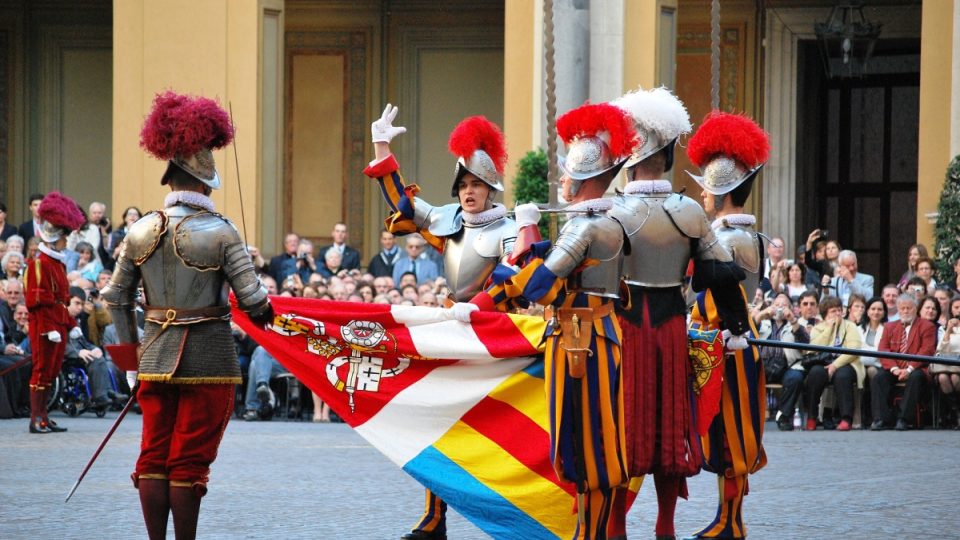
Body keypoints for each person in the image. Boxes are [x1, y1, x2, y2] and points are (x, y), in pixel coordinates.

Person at [101, 91, 273, 540]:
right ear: (202, 182)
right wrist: (270, 312)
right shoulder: (221, 231)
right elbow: (252, 299)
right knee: (189, 458)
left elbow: (115, 297)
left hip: (154, 357)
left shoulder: (139, 229)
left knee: (153, 454)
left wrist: (131, 361)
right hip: (207, 356)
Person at [465, 101, 635, 540]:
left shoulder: (587, 226)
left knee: (592, 443)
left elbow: (539, 285)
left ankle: (591, 534)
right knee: (580, 440)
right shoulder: (598, 221)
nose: (560, 181)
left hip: (586, 342)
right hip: (588, 335)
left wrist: (525, 233)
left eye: (566, 174)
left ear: (581, 179)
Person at [363, 105, 518, 540]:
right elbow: (403, 204)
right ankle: (434, 519)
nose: (469, 192)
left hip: (493, 333)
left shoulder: (507, 229)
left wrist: (483, 304)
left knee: (496, 430)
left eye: (477, 185)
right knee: (439, 426)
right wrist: (382, 146)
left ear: (491, 189)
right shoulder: (448, 221)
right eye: (463, 184)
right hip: (452, 328)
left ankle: (512, 518)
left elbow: (515, 276)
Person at [605, 87, 748, 540]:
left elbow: (597, 282)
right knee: (669, 431)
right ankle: (664, 527)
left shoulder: (614, 211)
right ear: (667, 155)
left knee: (624, 428)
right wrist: (738, 327)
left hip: (625, 332)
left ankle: (615, 526)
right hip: (670, 329)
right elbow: (721, 273)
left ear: (630, 157)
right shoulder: (688, 211)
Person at [685, 111, 770, 540]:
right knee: (723, 435)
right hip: (726, 341)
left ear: (721, 192)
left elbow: (714, 293)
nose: (701, 194)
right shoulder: (739, 235)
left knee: (734, 437)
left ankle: (731, 521)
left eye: (706, 187)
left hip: (730, 341)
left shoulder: (727, 239)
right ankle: (727, 516)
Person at [24, 191, 86, 433]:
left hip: (57, 325)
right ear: (55, 238)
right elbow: (37, 302)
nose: (67, 241)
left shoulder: (57, 263)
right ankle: (35, 418)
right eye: (64, 238)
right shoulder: (39, 263)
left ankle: (44, 416)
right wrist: (50, 329)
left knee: (51, 371)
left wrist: (71, 325)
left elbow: (61, 301)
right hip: (44, 326)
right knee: (40, 371)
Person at [870, 294, 936, 431]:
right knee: (878, 377)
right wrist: (894, 369)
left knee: (915, 377)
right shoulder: (889, 326)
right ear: (898, 310)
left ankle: (903, 419)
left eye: (909, 308)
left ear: (916, 309)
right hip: (895, 368)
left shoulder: (927, 326)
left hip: (917, 368)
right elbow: (883, 349)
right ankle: (881, 419)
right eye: (902, 308)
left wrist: (909, 369)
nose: (905, 311)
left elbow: (926, 350)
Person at [806, 296, 864, 432]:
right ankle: (812, 417)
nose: (837, 314)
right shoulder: (818, 328)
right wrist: (829, 329)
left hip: (846, 362)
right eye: (833, 311)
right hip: (823, 362)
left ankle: (846, 419)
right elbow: (813, 348)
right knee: (815, 373)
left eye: (839, 310)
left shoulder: (850, 326)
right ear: (825, 314)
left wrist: (835, 365)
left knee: (842, 376)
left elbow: (853, 350)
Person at [754, 292, 809, 431]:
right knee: (747, 373)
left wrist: (793, 320)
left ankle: (783, 416)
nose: (779, 308)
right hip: (764, 363)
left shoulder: (797, 323)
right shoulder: (764, 322)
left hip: (787, 364)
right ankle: (750, 416)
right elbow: (748, 333)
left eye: (784, 305)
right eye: (777, 305)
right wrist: (760, 315)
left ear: (791, 308)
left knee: (795, 378)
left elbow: (805, 343)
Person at [932, 316, 960, 428]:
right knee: (942, 377)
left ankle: (955, 413)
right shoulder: (943, 328)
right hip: (945, 366)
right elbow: (941, 349)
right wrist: (948, 330)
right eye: (956, 307)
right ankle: (956, 412)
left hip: (957, 367)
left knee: (955, 377)